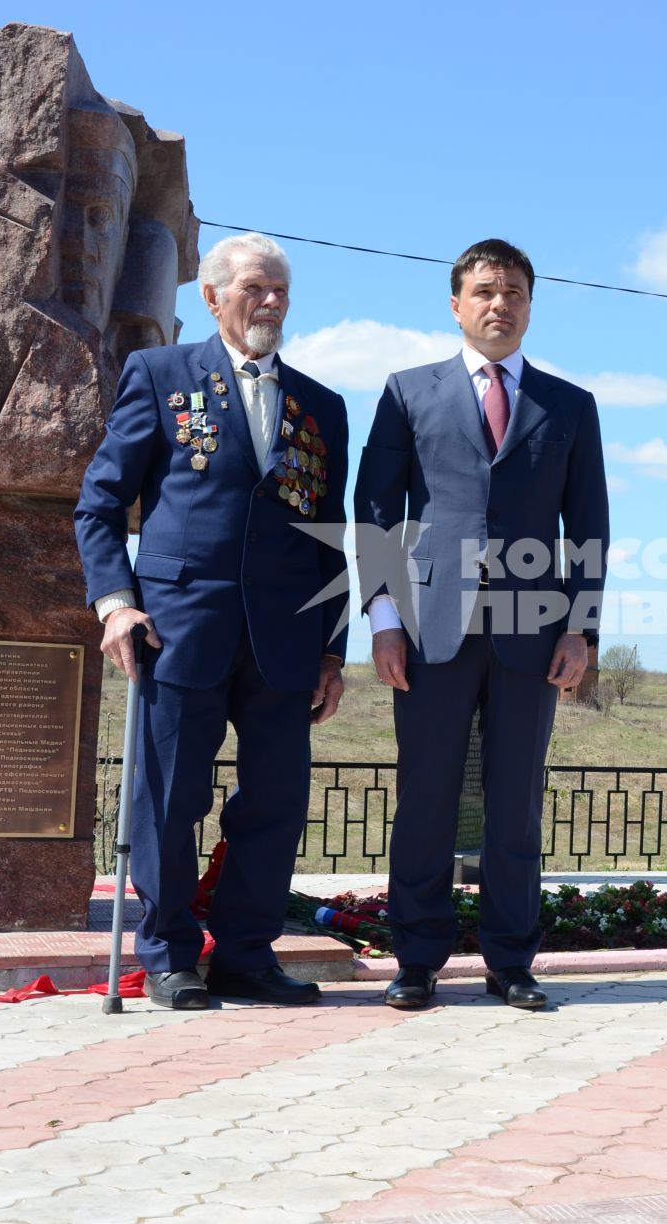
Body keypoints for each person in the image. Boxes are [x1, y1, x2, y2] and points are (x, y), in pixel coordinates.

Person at [75, 232, 349, 1010]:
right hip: (177, 630)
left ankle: (247, 954)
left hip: (285, 644)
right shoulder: (160, 376)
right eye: (254, 289)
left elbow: (329, 539)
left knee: (274, 800)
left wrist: (333, 651)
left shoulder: (320, 407)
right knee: (168, 797)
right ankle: (167, 953)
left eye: (281, 292)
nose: (269, 303)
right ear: (211, 297)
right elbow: (99, 504)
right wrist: (115, 600)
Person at [354, 238, 609, 1011]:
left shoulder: (570, 406)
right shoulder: (408, 391)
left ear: (530, 306)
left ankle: (511, 960)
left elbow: (589, 523)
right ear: (457, 304)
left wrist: (581, 628)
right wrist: (385, 617)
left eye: (516, 293)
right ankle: (417, 961)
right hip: (431, 631)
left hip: (533, 633)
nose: (501, 304)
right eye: (487, 291)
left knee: (514, 802)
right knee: (426, 796)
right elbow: (374, 510)